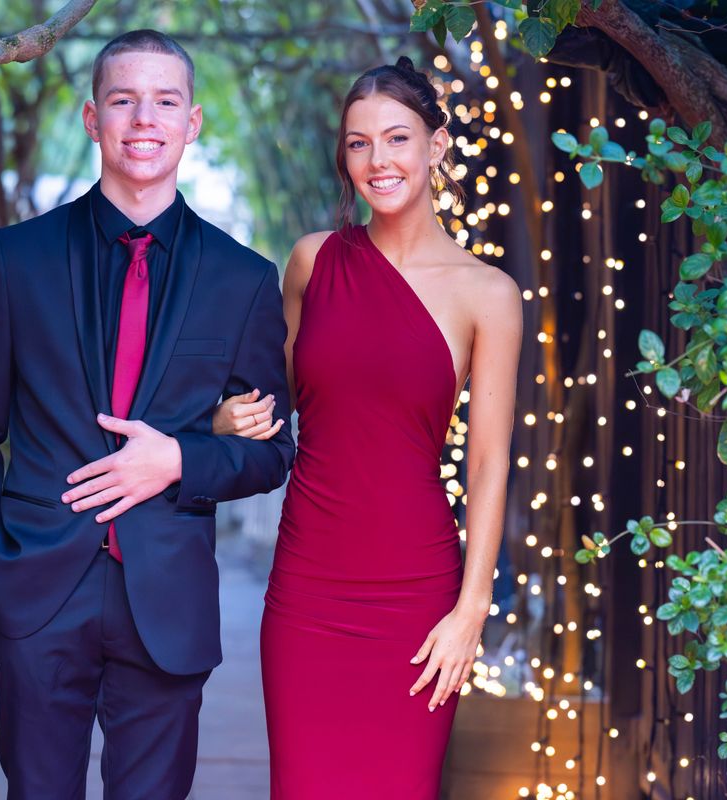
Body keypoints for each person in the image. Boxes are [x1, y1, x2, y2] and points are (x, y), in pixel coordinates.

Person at [0, 29, 294, 800]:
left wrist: (179, 459)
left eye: (165, 101)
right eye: (124, 100)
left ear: (192, 122)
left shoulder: (242, 279)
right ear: (94, 118)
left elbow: (271, 451)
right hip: (34, 588)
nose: (144, 119)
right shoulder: (17, 259)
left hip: (166, 594)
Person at [214, 56, 522, 798]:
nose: (378, 160)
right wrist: (221, 416)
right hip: (307, 588)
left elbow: (488, 463)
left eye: (397, 138)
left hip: (415, 594)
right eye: (359, 143)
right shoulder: (311, 261)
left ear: (436, 146)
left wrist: (471, 610)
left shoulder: (488, 293)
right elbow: (275, 400)